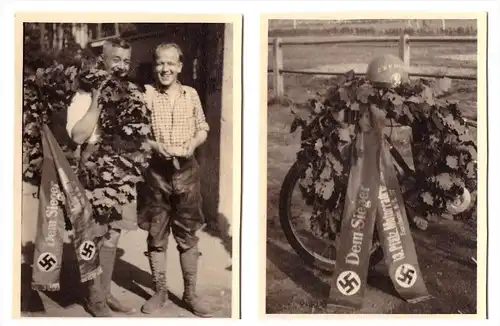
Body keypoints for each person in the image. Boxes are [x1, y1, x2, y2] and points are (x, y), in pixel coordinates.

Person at [66, 37, 148, 317]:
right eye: (116, 60)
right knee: (95, 235)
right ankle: (93, 299)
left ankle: (105, 293)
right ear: (103, 60)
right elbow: (77, 136)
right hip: (93, 166)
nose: (122, 66)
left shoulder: (130, 93)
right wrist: (97, 102)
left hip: (121, 166)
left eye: (126, 61)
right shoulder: (84, 94)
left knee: (113, 235)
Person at [136, 43, 211, 317]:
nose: (165, 69)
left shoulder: (190, 95)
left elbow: (203, 127)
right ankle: (160, 290)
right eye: (160, 64)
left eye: (171, 64)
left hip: (187, 173)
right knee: (156, 233)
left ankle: (190, 293)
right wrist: (155, 146)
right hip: (156, 174)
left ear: (180, 66)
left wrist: (192, 144)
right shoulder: (146, 96)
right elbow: (137, 133)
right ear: (154, 66)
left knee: (187, 234)